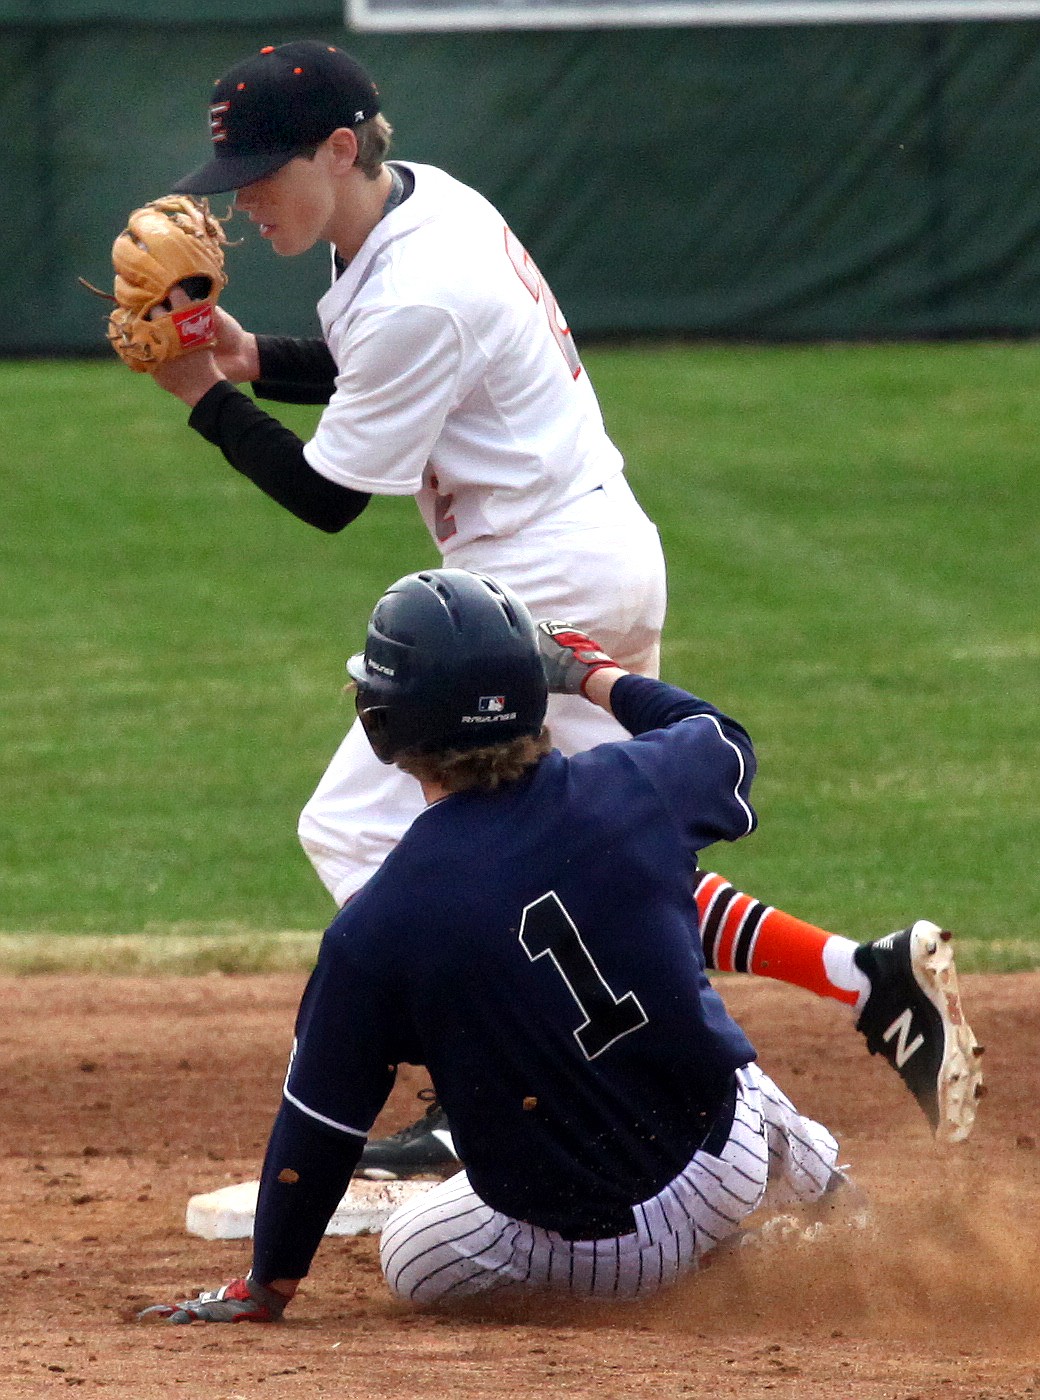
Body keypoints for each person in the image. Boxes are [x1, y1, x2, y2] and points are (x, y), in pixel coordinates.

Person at [144, 40, 982, 1170]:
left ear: (339, 150)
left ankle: (479, 1081)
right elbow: (382, 364)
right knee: (592, 852)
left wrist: (197, 393)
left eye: (260, 170)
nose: (240, 200)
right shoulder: (421, 205)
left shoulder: (414, 286)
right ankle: (860, 979)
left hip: (539, 580)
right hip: (583, 551)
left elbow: (328, 494)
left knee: (353, 825)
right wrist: (253, 360)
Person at [140, 568, 860, 1323]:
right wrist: (593, 675)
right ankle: (826, 1193)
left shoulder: (378, 924)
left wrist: (268, 1285)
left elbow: (320, 1126)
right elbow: (721, 738)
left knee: (410, 1253)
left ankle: (709, 1276)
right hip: (728, 1165)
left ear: (384, 729)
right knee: (724, 1067)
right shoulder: (636, 784)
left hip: (603, 1263)